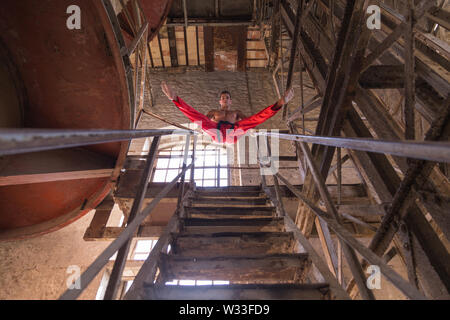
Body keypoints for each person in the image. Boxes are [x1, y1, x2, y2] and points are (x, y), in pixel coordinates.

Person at [161, 81, 294, 144]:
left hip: (232, 133)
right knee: (200, 118)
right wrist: (199, 128)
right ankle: (176, 100)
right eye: (223, 98)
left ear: (230, 101)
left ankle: (279, 103)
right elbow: (202, 121)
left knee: (251, 121)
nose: (225, 100)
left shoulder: (236, 112)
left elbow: (252, 120)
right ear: (220, 101)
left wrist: (251, 129)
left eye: (227, 98)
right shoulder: (213, 112)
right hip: (216, 132)